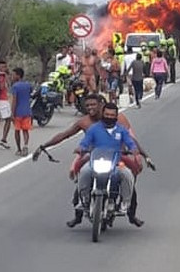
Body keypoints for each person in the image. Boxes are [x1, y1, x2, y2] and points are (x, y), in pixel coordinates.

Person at [33, 94, 149, 227]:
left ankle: (131, 214)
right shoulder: (85, 123)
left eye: (93, 104)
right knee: (82, 176)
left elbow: (130, 138)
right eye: (87, 105)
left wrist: (141, 156)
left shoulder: (118, 119)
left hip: (118, 156)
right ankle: (78, 214)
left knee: (128, 178)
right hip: (94, 156)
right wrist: (43, 146)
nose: (90, 108)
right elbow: (65, 135)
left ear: (101, 105)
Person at [73, 103, 149, 222]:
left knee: (127, 175)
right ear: (103, 114)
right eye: (107, 114)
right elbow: (85, 142)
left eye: (112, 115)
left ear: (116, 116)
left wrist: (135, 151)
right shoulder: (94, 129)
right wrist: (81, 148)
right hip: (95, 162)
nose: (109, 117)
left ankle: (125, 203)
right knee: (84, 171)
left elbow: (130, 143)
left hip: (116, 163)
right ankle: (84, 199)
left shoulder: (121, 130)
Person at [11, 67, 33, 156]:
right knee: (25, 130)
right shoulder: (28, 85)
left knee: (17, 130)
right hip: (27, 111)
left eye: (13, 75)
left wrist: (12, 113)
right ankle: (26, 146)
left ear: (18, 76)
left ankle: (19, 149)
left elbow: (14, 101)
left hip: (18, 112)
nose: (12, 77)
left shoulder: (15, 86)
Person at [0, 60, 12, 150]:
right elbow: (1, 87)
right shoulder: (2, 76)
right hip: (2, 99)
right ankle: (3, 139)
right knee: (8, 118)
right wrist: (5, 78)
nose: (4, 68)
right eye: (3, 67)